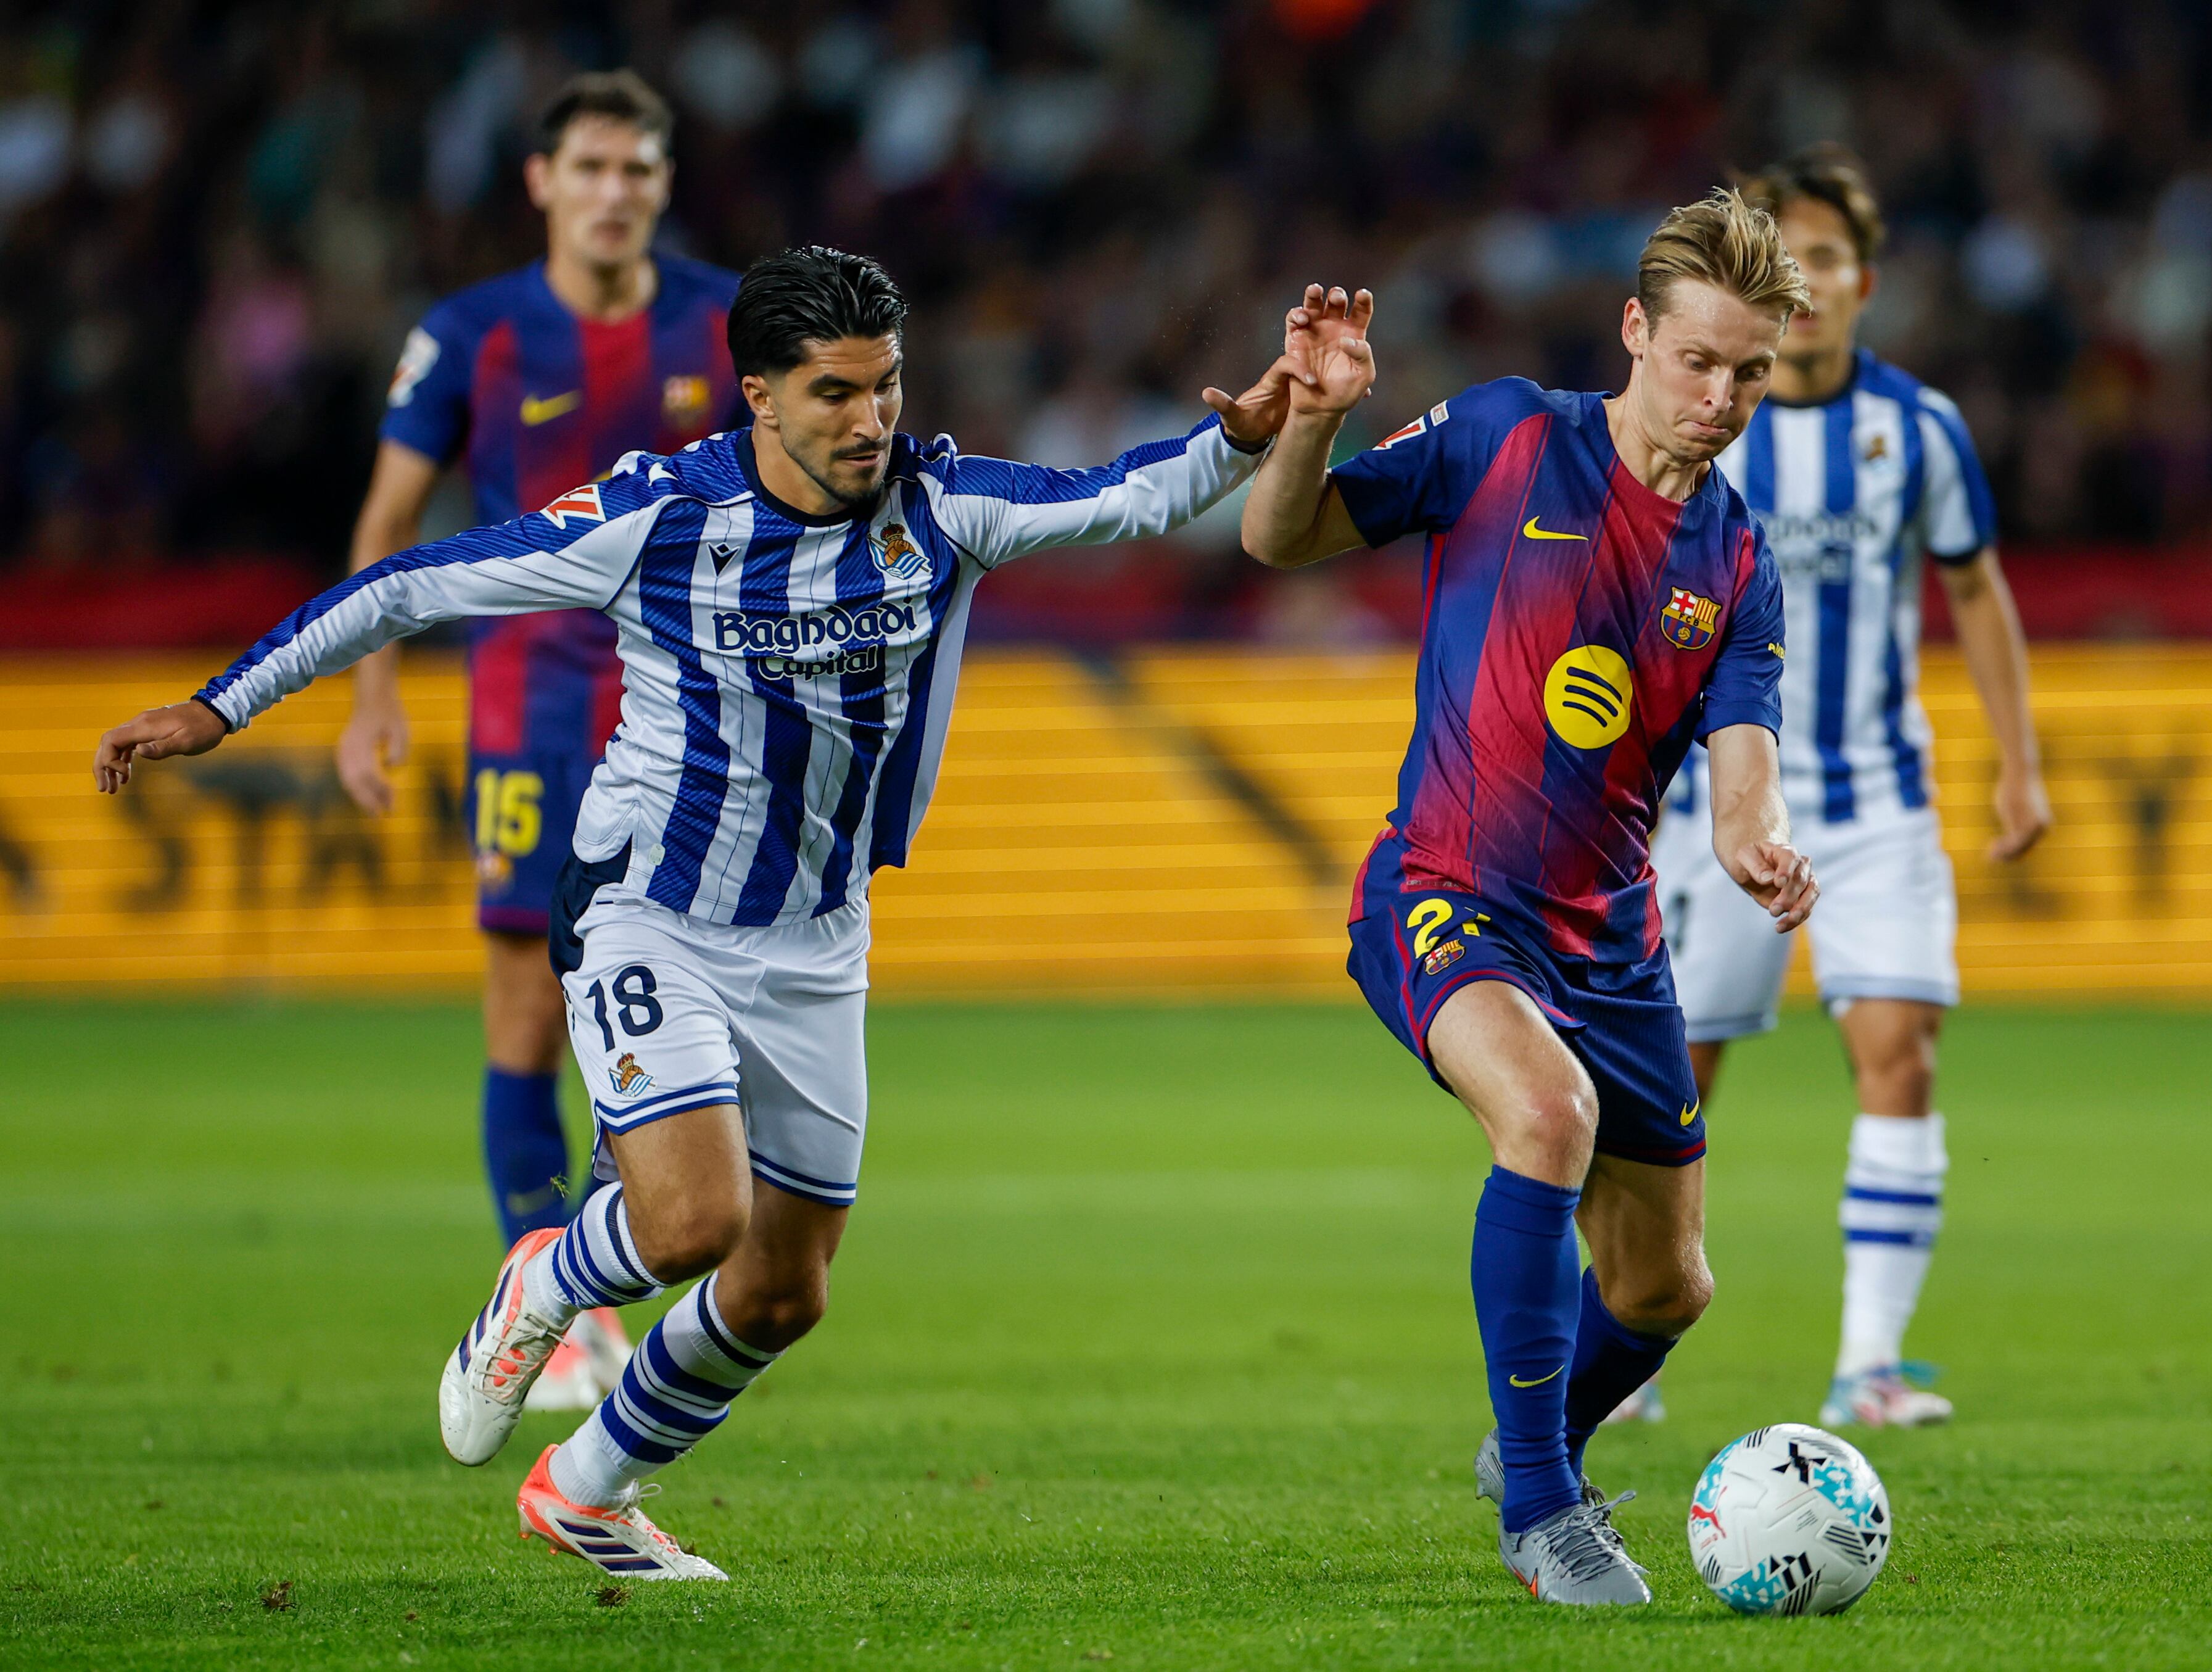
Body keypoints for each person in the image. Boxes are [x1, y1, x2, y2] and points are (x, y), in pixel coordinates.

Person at [96, 246, 1301, 1581]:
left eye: (886, 385)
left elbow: (1125, 499)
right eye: (835, 391)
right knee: (685, 1223)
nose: (870, 419)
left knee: (786, 1288)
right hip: (651, 911)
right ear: (758, 396)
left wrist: (1244, 432)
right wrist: (221, 703)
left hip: (818, 939)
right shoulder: (659, 516)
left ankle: (590, 1488)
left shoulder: (941, 503)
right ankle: (542, 1279)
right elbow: (415, 582)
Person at [1240, 196, 1819, 1605]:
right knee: (1545, 1115)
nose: (1720, 398)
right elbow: (1281, 537)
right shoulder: (1504, 432)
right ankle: (1547, 1513)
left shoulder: (1736, 562)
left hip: (1610, 941)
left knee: (1663, 1287)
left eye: (1750, 372)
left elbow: (1743, 772)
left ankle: (1533, 1446)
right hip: (1445, 892)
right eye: (1697, 361)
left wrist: (1759, 845)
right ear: (1634, 331)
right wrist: (1312, 417)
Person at [332, 70, 749, 1412]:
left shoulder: (729, 321)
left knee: (690, 1011)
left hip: (696, 708)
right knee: (523, 1011)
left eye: (637, 170)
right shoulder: (469, 337)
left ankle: (577, 1276)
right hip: (531, 705)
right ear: (540, 182)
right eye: (589, 169)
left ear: (664, 183)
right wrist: (372, 694)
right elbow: (387, 524)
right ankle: (552, 1303)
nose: (613, 193)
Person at [1645, 146, 2050, 1432]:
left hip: (1874, 794)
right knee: (1669, 1076)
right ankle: (1628, 1348)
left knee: (1898, 1049)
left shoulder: (1913, 428)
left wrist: (2018, 760)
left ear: (1861, 280)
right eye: (1784, 254)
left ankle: (1866, 1360)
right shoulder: (1702, 420)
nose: (1805, 279)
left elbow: (1974, 586)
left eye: (1824, 255)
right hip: (1715, 799)